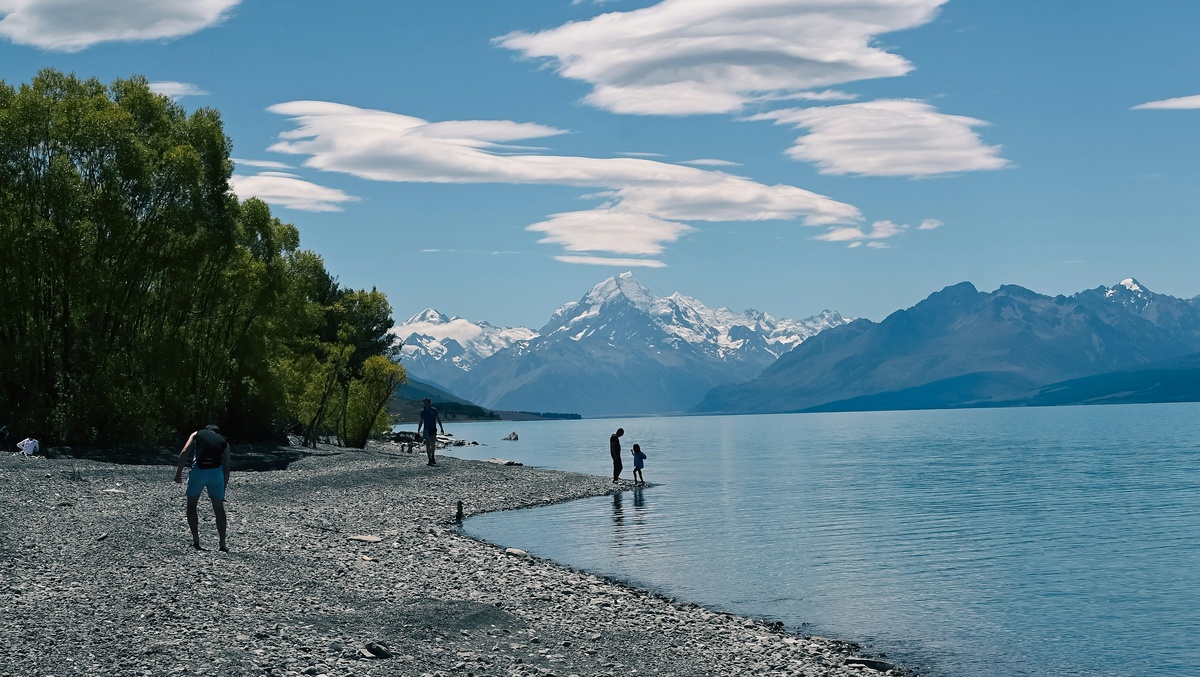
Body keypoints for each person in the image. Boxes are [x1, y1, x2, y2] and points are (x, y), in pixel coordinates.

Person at [173, 424, 231, 552]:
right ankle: (222, 543)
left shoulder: (197, 434)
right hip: (215, 474)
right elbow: (227, 468)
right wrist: (223, 488)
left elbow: (184, 452)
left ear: (207, 430)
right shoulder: (225, 442)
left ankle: (196, 540)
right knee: (219, 508)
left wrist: (178, 474)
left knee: (192, 505)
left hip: (198, 471)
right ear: (217, 433)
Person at [417, 398, 445, 466]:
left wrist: (441, 428)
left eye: (427, 402)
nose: (425, 404)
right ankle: (429, 459)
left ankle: (432, 457)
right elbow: (421, 421)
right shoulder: (423, 411)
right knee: (427, 445)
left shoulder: (434, 410)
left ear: (430, 403)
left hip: (433, 429)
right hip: (426, 429)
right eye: (424, 403)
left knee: (432, 444)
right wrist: (418, 430)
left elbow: (438, 419)